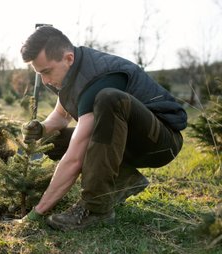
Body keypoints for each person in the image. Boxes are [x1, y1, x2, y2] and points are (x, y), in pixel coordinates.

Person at [20, 26, 187, 231]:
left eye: (46, 72)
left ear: (68, 58)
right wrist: (42, 129)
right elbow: (61, 116)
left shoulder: (98, 77)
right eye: (39, 74)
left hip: (160, 142)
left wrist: (38, 211)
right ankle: (124, 178)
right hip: (126, 139)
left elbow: (75, 158)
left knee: (109, 98)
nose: (45, 81)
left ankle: (96, 208)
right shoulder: (70, 72)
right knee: (54, 140)